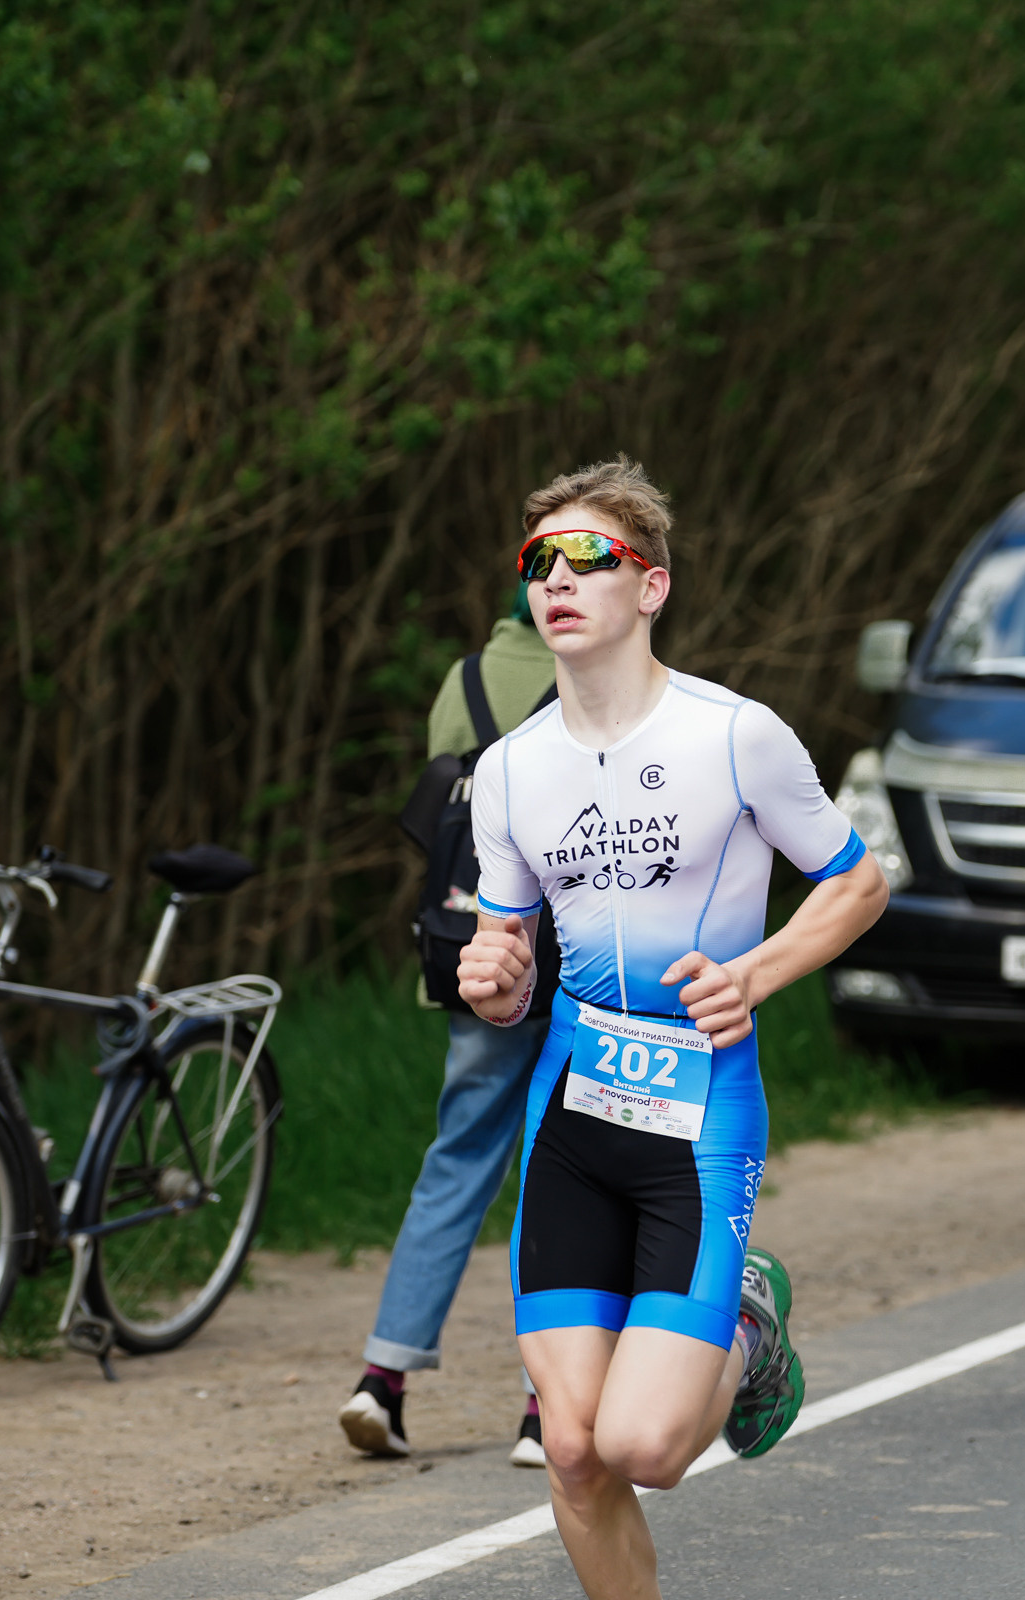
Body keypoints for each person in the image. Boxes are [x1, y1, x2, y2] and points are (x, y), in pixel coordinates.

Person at [456, 455, 888, 1600]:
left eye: (588, 556)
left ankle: (749, 1323)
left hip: (700, 1118)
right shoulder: (507, 772)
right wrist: (490, 977)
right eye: (537, 561)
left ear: (650, 587)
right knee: (573, 1450)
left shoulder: (735, 735)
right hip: (571, 1113)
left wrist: (756, 971)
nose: (557, 578)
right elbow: (506, 967)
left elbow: (856, 882)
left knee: (648, 1450)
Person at [339, 589, 556, 1467]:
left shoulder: (460, 682)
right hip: (571, 965)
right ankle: (548, 1406)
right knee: (562, 1169)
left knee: (456, 1161)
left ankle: (381, 1380)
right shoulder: (600, 679)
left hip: (471, 960)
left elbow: (442, 822)